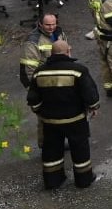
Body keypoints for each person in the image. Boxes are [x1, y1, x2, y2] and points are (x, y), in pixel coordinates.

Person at [26, 38, 100, 190]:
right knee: (80, 149)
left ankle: (53, 180)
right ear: (68, 51)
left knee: (51, 150)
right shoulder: (78, 70)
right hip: (75, 119)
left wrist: (38, 111)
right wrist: (94, 107)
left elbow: (33, 97)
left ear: (51, 53)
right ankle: (84, 179)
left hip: (50, 121)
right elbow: (90, 93)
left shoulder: (39, 72)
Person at [20, 13, 63, 87]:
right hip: (44, 81)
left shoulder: (59, 33)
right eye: (48, 25)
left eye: (53, 24)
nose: (51, 27)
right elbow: (29, 70)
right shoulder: (32, 42)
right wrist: (34, 89)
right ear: (40, 24)